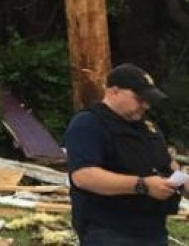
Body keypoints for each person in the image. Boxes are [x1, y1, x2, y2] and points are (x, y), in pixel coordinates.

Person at [63, 63, 186, 245]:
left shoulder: (147, 127)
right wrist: (142, 186)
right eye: (139, 98)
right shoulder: (89, 123)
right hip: (109, 229)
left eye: (148, 100)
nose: (146, 105)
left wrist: (182, 179)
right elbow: (83, 176)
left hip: (152, 229)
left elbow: (166, 162)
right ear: (114, 92)